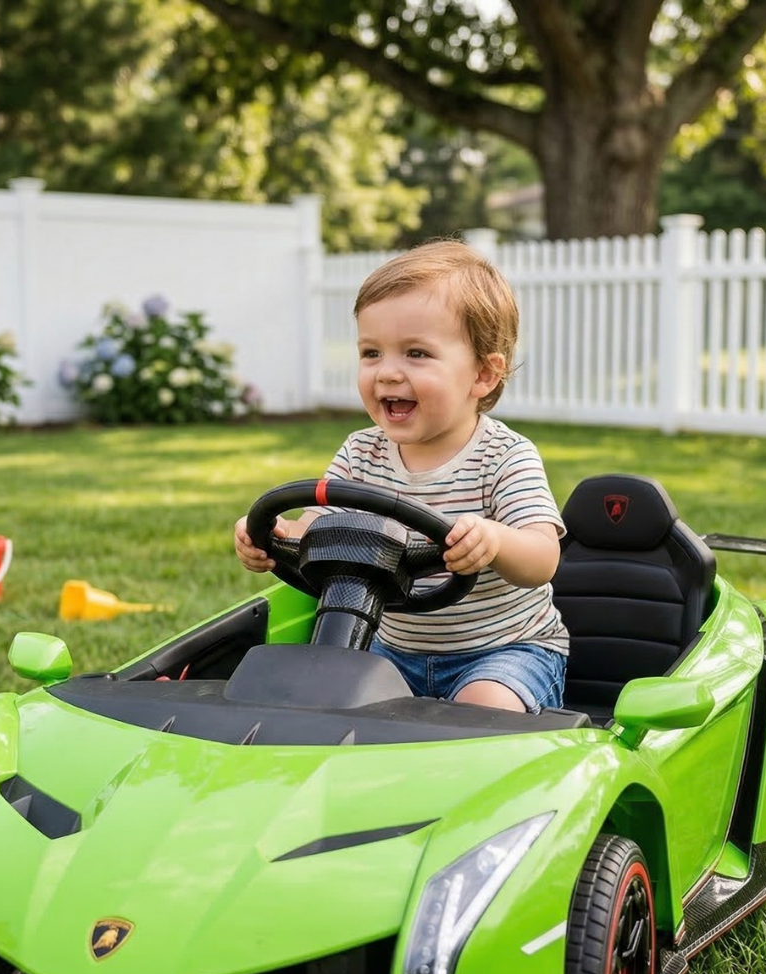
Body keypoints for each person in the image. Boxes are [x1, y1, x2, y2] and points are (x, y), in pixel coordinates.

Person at [234, 239, 568, 713]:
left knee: (481, 709)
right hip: (388, 648)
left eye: (415, 353)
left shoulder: (504, 456)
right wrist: (275, 535)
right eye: (371, 353)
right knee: (313, 699)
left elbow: (542, 558)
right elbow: (317, 528)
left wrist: (494, 540)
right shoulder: (361, 450)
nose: (387, 373)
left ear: (483, 375)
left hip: (503, 653)